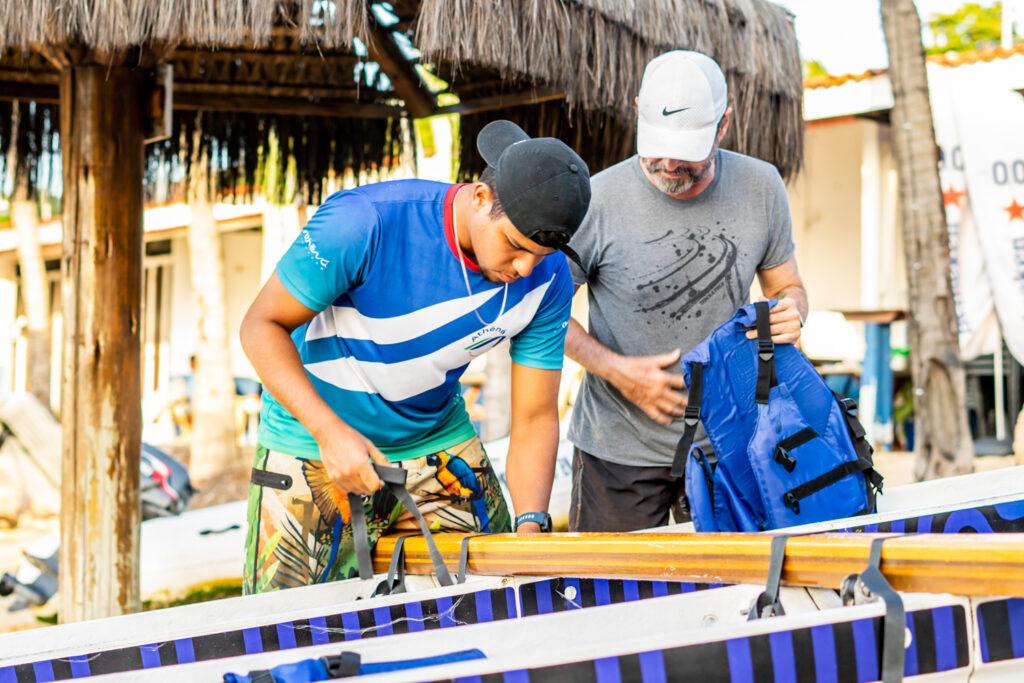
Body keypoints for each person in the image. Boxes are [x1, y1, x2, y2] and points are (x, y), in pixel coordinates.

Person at [239, 120, 591, 593]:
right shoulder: (364, 223)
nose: (525, 267)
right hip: (312, 444)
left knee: (505, 593)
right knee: (288, 634)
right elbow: (259, 326)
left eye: (542, 253)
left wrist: (530, 528)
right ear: (481, 198)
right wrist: (328, 433)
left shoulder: (548, 280)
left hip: (438, 443)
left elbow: (534, 418)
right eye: (514, 245)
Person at [564, 50, 808, 532]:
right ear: (637, 111)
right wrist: (618, 371)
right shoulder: (596, 201)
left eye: (688, 149)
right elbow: (537, 317)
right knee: (615, 599)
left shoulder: (761, 187)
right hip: (617, 457)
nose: (670, 163)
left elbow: (788, 286)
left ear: (724, 125)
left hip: (732, 449)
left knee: (732, 599)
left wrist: (794, 311)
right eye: (658, 145)